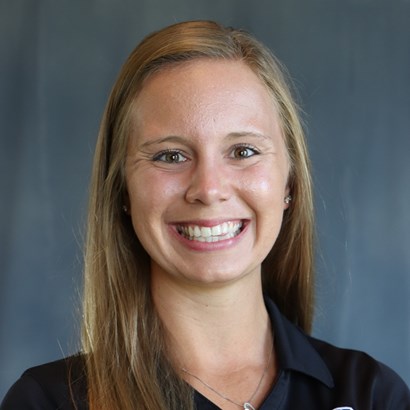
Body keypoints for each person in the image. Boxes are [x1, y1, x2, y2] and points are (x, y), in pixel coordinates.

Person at [1, 20, 409, 410]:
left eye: (243, 151)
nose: (209, 189)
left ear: (290, 182)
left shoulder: (372, 396)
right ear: (122, 189)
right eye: (170, 156)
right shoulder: (48, 403)